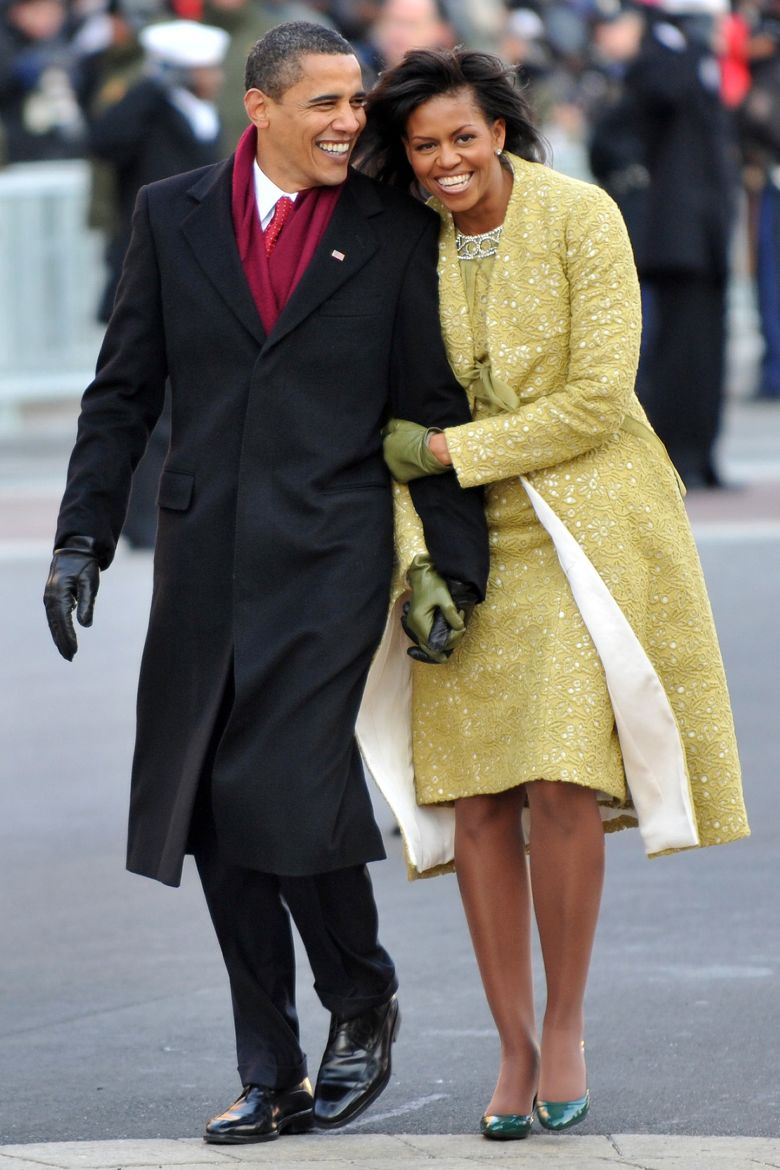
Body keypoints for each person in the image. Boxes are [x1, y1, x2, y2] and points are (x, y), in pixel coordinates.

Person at [43, 22, 488, 1145]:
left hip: (332, 551)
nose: (351, 121)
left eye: (357, 101)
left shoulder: (394, 228)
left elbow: (431, 404)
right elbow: (122, 390)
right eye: (327, 102)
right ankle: (270, 1068)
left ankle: (360, 991)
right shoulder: (172, 213)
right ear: (261, 107)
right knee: (211, 807)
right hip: (202, 554)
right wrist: (80, 539)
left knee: (285, 785)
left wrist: (458, 569)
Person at [358, 46, 749, 1140]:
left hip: (585, 525)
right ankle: (513, 1043)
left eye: (463, 138)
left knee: (563, 777)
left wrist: (449, 451)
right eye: (424, 146)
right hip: (463, 541)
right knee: (479, 797)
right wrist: (415, 553)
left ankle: (566, 1024)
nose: (446, 161)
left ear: (501, 131)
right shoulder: (403, 243)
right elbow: (381, 421)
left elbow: (596, 400)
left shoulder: (582, 216)